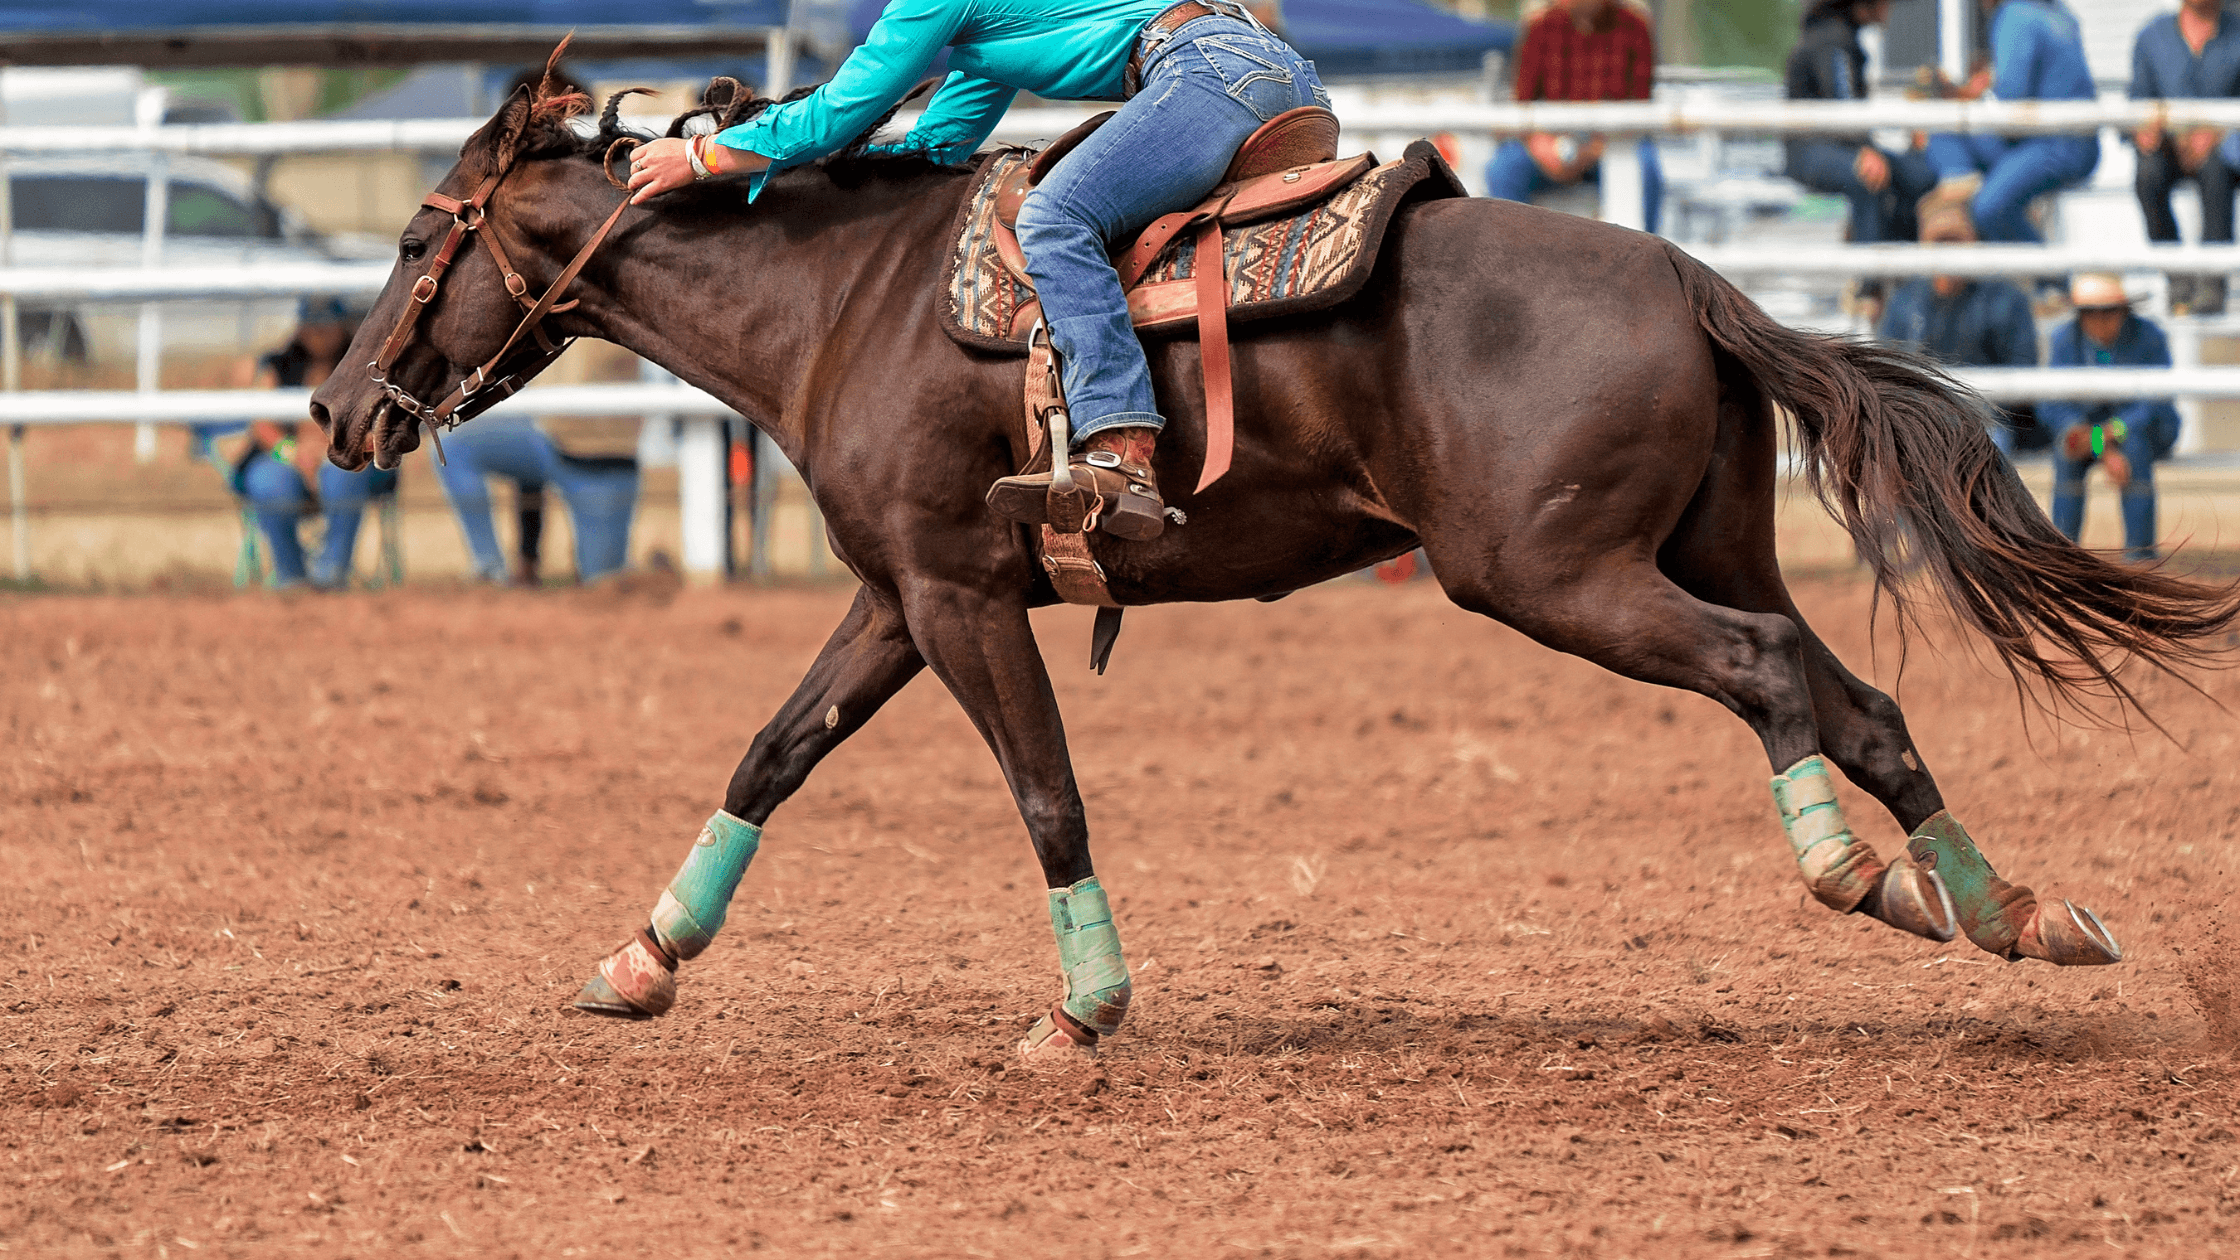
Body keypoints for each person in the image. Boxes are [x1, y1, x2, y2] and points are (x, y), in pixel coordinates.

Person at [624, 0, 1330, 541]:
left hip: (1204, 71)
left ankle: (1120, 446)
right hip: (1266, 69)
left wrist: (702, 157)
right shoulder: (986, 29)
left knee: (1053, 218)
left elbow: (842, 111)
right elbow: (944, 140)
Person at [229, 297, 396, 589]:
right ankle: (291, 577)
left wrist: (330, 452)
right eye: (311, 325)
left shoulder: (369, 366)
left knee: (342, 473)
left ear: (343, 327)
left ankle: (332, 573)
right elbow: (262, 424)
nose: (317, 333)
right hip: (286, 457)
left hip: (347, 455)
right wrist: (292, 453)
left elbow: (380, 422)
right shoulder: (278, 365)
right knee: (269, 481)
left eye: (326, 325)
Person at [1916, 0, 2098, 245]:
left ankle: (1960, 185)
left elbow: (2011, 100)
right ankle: (1963, 184)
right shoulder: (2057, 13)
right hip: (2074, 143)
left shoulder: (2015, 15)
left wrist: (1970, 96)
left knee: (1988, 206)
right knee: (1951, 136)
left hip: (2052, 145)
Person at [1484, 0, 1663, 234]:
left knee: (1646, 170)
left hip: (1611, 140)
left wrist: (1594, 148)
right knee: (1503, 169)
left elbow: (1640, 107)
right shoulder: (1540, 26)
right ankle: (1510, 254)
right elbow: (1523, 103)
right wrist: (1540, 144)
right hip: (1550, 137)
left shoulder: (1634, 26)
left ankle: (1643, 260)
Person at [1876, 207, 2040, 454]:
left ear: (1973, 242)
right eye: (1940, 241)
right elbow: (1886, 373)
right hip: (1919, 421)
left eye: (1955, 240)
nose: (1948, 250)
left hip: (1984, 421)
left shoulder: (2006, 298)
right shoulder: (1904, 301)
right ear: (1924, 245)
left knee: (1989, 458)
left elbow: (2023, 373)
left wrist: (1970, 408)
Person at [2042, 273, 2181, 562]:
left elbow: (2154, 404)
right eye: (2090, 312)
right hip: (2086, 432)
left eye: (2109, 310)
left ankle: (2140, 556)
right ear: (2079, 315)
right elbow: (2053, 403)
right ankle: (2063, 555)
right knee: (2066, 451)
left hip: (2145, 430)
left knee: (2135, 449)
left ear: (2125, 310)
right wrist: (2099, 441)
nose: (2100, 319)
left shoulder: (2150, 336)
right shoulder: (2063, 339)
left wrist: (2112, 432)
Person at [1783, 0, 1937, 245]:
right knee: (1867, 177)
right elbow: (1842, 103)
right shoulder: (1831, 39)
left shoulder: (1843, 36)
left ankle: (1901, 268)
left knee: (1919, 176)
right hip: (1809, 149)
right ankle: (1869, 276)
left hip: (1841, 145)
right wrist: (1864, 150)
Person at [433, 414, 639, 584]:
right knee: (451, 448)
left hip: (602, 459)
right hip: (544, 438)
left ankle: (627, 571)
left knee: (604, 584)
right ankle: (491, 571)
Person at [2133, 0, 2240, 316]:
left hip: (2224, 148)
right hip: (2169, 145)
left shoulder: (2236, 33)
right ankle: (2177, 278)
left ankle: (2211, 284)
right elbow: (2139, 97)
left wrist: (2219, 133)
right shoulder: (2153, 35)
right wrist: (2147, 130)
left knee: (2218, 170)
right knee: (2147, 175)